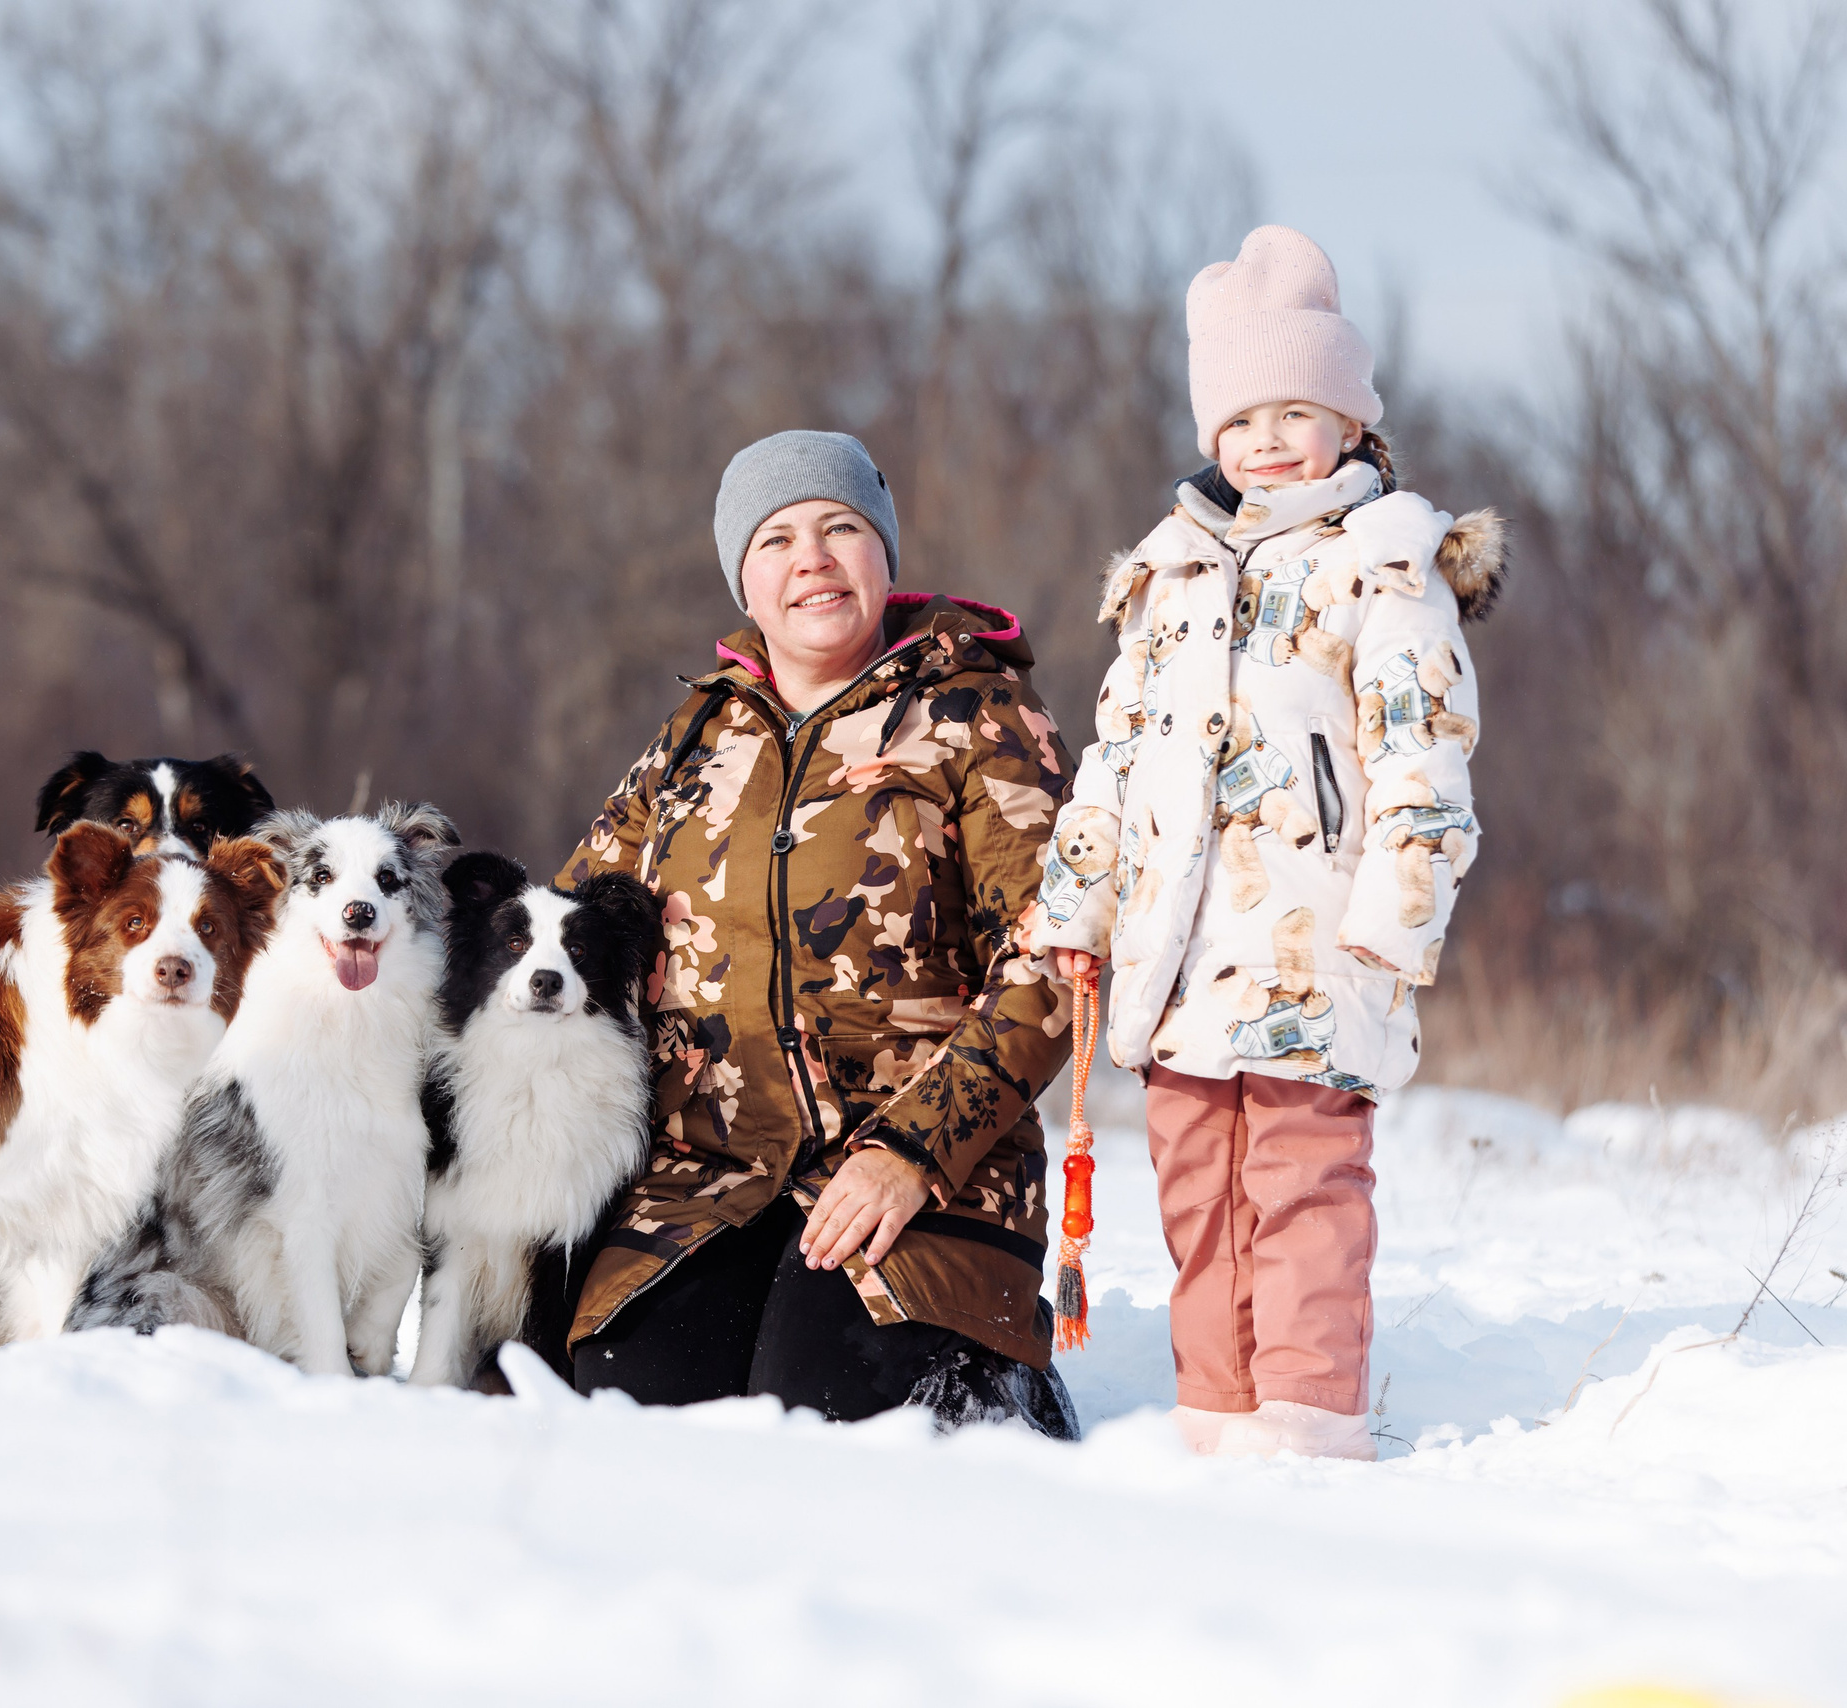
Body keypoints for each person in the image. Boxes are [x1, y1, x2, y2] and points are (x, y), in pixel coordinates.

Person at [1019, 226, 1504, 1459]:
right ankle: (1215, 1409)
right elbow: (1116, 758)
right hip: (1179, 950)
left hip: (1313, 937)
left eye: (1297, 410)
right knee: (1195, 1180)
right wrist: (1078, 905)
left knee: (1299, 1177)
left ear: (1347, 418)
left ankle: (1302, 1415)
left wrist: (1393, 920)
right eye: (1242, 418)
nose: (1270, 440)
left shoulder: (1382, 563)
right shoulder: (1167, 576)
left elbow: (1422, 753)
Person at [556, 429, 1079, 1435]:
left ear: (884, 553)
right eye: (777, 539)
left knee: (827, 1422)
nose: (812, 559)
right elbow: (568, 932)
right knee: (630, 1416)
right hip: (703, 1184)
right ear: (744, 584)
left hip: (927, 1181)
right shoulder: (693, 742)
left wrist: (914, 1152)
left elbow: (1052, 960)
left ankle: (995, 1391)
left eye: (840, 528)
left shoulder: (979, 716)